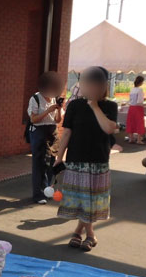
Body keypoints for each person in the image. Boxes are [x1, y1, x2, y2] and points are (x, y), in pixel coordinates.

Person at [54, 66, 117, 252]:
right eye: (87, 83)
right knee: (82, 201)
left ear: (103, 86)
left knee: (90, 202)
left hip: (98, 162)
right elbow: (66, 133)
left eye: (95, 84)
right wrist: (59, 158)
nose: (90, 87)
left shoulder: (110, 106)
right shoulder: (74, 105)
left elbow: (108, 128)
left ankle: (82, 233)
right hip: (76, 160)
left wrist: (95, 106)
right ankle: (89, 234)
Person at [27, 71, 64, 204]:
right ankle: (38, 194)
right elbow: (33, 119)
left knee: (51, 162)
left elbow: (58, 120)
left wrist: (58, 109)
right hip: (38, 132)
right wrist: (48, 110)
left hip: (52, 131)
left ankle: (48, 191)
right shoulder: (35, 98)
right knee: (39, 164)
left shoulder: (55, 98)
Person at [125, 76, 146, 144]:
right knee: (139, 122)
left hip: (131, 107)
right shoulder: (140, 90)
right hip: (138, 108)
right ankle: (139, 140)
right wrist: (143, 100)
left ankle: (131, 138)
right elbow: (139, 101)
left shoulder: (132, 89)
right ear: (141, 82)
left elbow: (131, 99)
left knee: (131, 122)